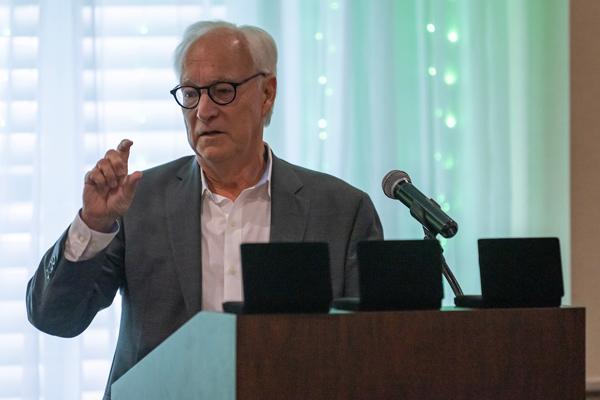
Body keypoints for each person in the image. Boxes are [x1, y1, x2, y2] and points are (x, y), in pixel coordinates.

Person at [26, 20, 383, 399]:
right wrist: (93, 224)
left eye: (222, 91)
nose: (205, 110)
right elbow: (55, 317)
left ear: (267, 93)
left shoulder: (341, 210)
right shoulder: (137, 202)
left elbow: (373, 350)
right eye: (191, 94)